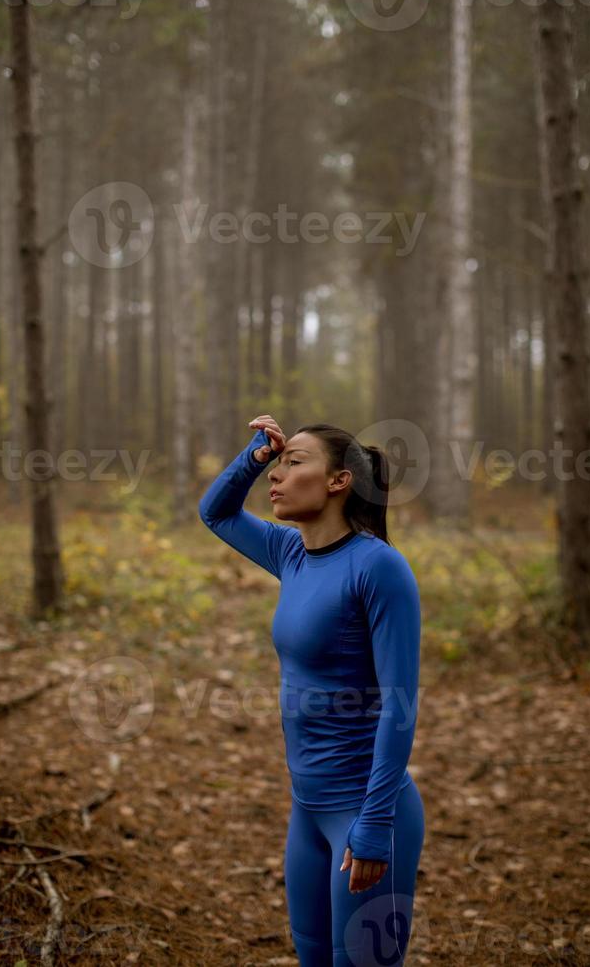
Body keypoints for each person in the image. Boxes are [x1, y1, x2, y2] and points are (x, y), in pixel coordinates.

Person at [198, 414, 424, 967]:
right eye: (276, 466)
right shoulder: (291, 552)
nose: (276, 476)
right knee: (313, 956)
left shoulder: (379, 568)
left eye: (293, 462)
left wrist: (373, 825)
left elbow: (400, 706)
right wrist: (254, 453)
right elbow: (215, 511)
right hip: (307, 808)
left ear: (339, 481)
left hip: (366, 811)